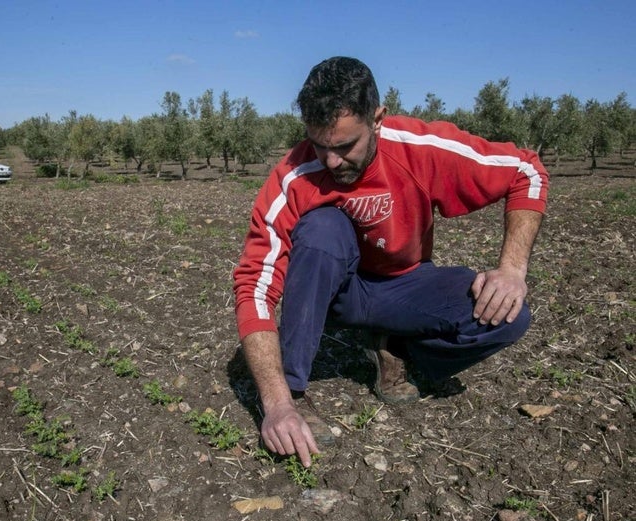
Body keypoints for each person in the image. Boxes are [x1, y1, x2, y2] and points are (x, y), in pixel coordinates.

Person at [232, 57, 548, 467]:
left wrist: (511, 270)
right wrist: (274, 404)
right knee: (322, 228)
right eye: (319, 144)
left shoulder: (419, 148)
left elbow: (526, 170)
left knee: (510, 315)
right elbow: (254, 284)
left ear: (377, 119)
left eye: (345, 146)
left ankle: (397, 349)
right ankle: (295, 390)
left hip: (405, 283)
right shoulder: (294, 176)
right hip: (338, 293)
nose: (330, 160)